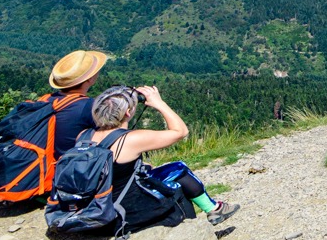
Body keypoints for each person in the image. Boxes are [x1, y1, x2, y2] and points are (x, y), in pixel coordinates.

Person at [87, 85, 239, 230]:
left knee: (158, 172)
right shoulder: (131, 139)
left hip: (97, 208)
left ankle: (213, 209)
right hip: (126, 211)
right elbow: (181, 131)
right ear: (128, 112)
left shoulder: (85, 136)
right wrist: (159, 103)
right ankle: (209, 212)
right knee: (178, 170)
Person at [0, 50, 105, 217]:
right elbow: (114, 137)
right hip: (66, 178)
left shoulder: (45, 101)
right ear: (90, 79)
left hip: (43, 173)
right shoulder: (88, 107)